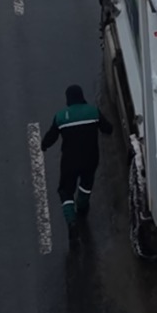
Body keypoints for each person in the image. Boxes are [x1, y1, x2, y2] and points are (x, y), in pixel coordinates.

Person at [39, 84, 112, 243]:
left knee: (65, 191)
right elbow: (107, 128)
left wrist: (43, 145)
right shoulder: (93, 111)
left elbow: (51, 136)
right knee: (86, 184)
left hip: (69, 161)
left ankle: (71, 221)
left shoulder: (61, 116)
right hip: (91, 159)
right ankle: (83, 206)